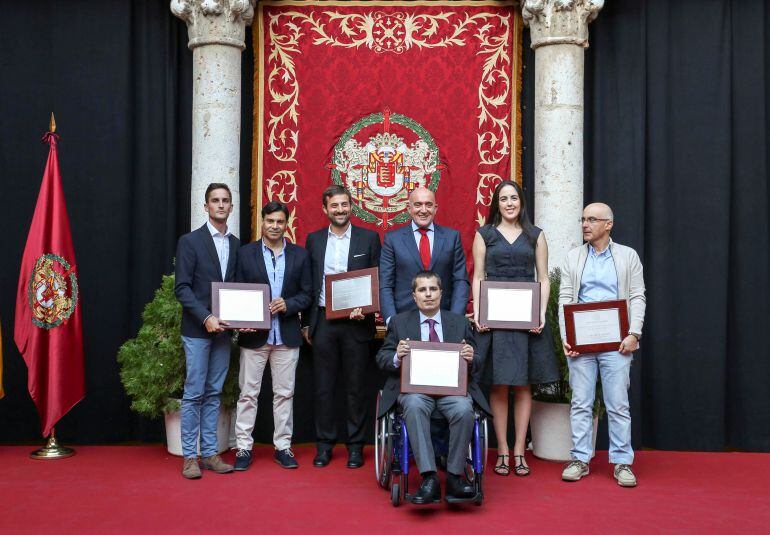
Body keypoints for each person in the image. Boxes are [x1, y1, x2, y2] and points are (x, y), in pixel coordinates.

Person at [376, 270, 491, 504]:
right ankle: (429, 477)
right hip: (416, 391)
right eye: (422, 290)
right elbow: (382, 357)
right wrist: (397, 356)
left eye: (433, 289)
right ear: (414, 296)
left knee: (463, 409)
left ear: (441, 293)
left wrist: (471, 356)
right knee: (415, 404)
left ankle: (455, 477)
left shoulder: (459, 322)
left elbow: (478, 360)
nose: (428, 294)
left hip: (452, 391)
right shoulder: (399, 322)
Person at [472, 180, 559, 477]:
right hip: (495, 318)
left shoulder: (536, 235)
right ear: (496, 203)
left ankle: (520, 451)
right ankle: (503, 452)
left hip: (526, 318)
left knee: (523, 384)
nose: (509, 203)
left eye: (514, 198)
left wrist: (540, 314)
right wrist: (479, 311)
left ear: (521, 202)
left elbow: (544, 278)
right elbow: (479, 276)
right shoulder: (484, 235)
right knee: (498, 384)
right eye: (504, 199)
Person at [558, 202, 646, 487]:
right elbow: (566, 298)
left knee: (618, 404)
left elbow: (637, 296)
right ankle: (580, 459)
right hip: (581, 343)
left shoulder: (628, 256)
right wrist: (566, 337)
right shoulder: (573, 257)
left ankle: (622, 463)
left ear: (608, 224)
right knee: (581, 403)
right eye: (583, 219)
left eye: (592, 219)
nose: (585, 224)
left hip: (617, 342)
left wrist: (634, 333)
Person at [303, 184, 381, 468]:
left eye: (344, 205)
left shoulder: (369, 238)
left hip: (357, 322)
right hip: (323, 320)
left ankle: (356, 446)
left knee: (356, 387)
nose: (340, 210)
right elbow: (310, 283)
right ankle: (324, 445)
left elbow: (376, 279)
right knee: (323, 387)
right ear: (325, 209)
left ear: (352, 206)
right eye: (334, 206)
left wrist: (368, 308)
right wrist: (306, 323)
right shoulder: (313, 240)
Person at [232, 201, 312, 471]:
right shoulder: (244, 254)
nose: (275, 226)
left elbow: (308, 294)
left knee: (284, 394)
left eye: (280, 222)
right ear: (262, 222)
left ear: (286, 224)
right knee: (248, 394)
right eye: (270, 221)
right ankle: (243, 447)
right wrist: (237, 320)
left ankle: (283, 446)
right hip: (254, 335)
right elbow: (235, 291)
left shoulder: (300, 256)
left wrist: (289, 304)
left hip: (286, 335)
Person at [174, 183, 239, 479]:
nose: (221, 205)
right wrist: (205, 317)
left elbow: (238, 289)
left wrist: (242, 319)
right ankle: (190, 456)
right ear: (206, 206)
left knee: (214, 392)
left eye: (225, 200)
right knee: (194, 393)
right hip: (198, 330)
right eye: (215, 200)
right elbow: (182, 289)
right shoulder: (190, 241)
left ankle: (211, 453)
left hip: (224, 333)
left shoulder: (237, 244)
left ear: (231, 206)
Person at [379, 186, 469, 323]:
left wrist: (456, 319)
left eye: (428, 205)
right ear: (409, 209)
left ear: (435, 208)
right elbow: (385, 283)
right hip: (404, 319)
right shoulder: (393, 240)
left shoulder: (452, 237)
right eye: (418, 205)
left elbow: (460, 281)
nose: (424, 210)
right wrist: (391, 321)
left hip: (444, 319)